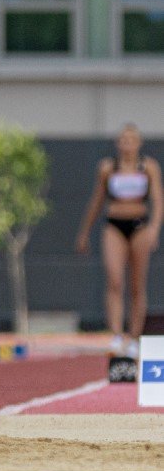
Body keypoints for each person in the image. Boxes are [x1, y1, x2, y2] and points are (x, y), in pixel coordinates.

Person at [76, 123, 163, 356]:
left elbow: (158, 200)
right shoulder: (108, 168)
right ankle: (116, 334)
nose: (127, 144)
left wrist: (154, 228)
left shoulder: (148, 167)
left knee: (137, 283)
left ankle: (134, 336)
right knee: (114, 280)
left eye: (131, 140)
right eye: (123, 140)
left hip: (139, 226)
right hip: (114, 225)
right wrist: (84, 232)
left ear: (138, 143)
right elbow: (97, 201)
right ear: (118, 143)